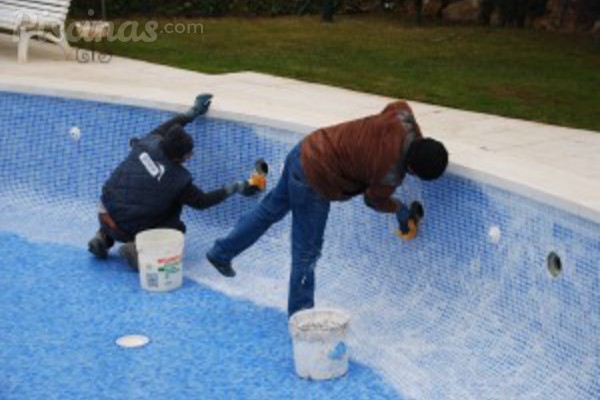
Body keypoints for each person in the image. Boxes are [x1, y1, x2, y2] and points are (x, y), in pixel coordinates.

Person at [206, 100, 448, 317]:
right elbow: (374, 200)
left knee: (270, 210)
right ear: (413, 170)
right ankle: (300, 319)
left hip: (306, 149)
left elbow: (396, 104)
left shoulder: (403, 118)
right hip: (315, 180)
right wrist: (400, 209)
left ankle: (221, 252)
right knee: (306, 253)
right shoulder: (390, 174)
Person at [88, 94, 260, 268]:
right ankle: (139, 248)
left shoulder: (148, 142)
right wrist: (237, 187)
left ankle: (102, 237)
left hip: (104, 214)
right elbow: (202, 202)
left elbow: (168, 127)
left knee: (128, 199)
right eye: (188, 154)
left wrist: (192, 113)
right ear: (178, 158)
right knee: (176, 227)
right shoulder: (177, 179)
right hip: (129, 231)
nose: (191, 156)